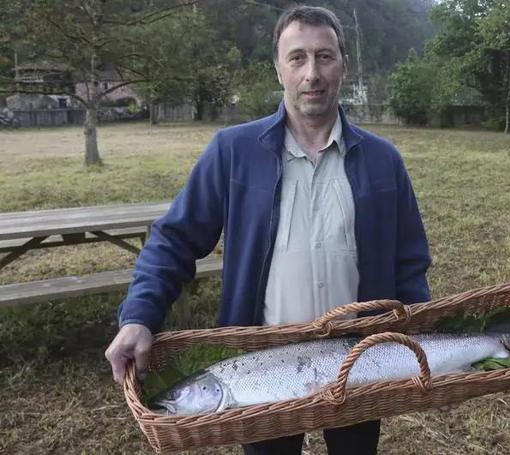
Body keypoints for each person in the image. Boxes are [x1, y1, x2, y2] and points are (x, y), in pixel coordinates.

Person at [105, 5, 431, 455]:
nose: (311, 73)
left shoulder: (383, 160)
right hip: (262, 363)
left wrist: (421, 337)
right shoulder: (233, 152)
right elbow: (174, 239)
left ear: (344, 65)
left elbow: (409, 261)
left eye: (325, 56)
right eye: (297, 58)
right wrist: (139, 316)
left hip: (359, 359)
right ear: (278, 69)